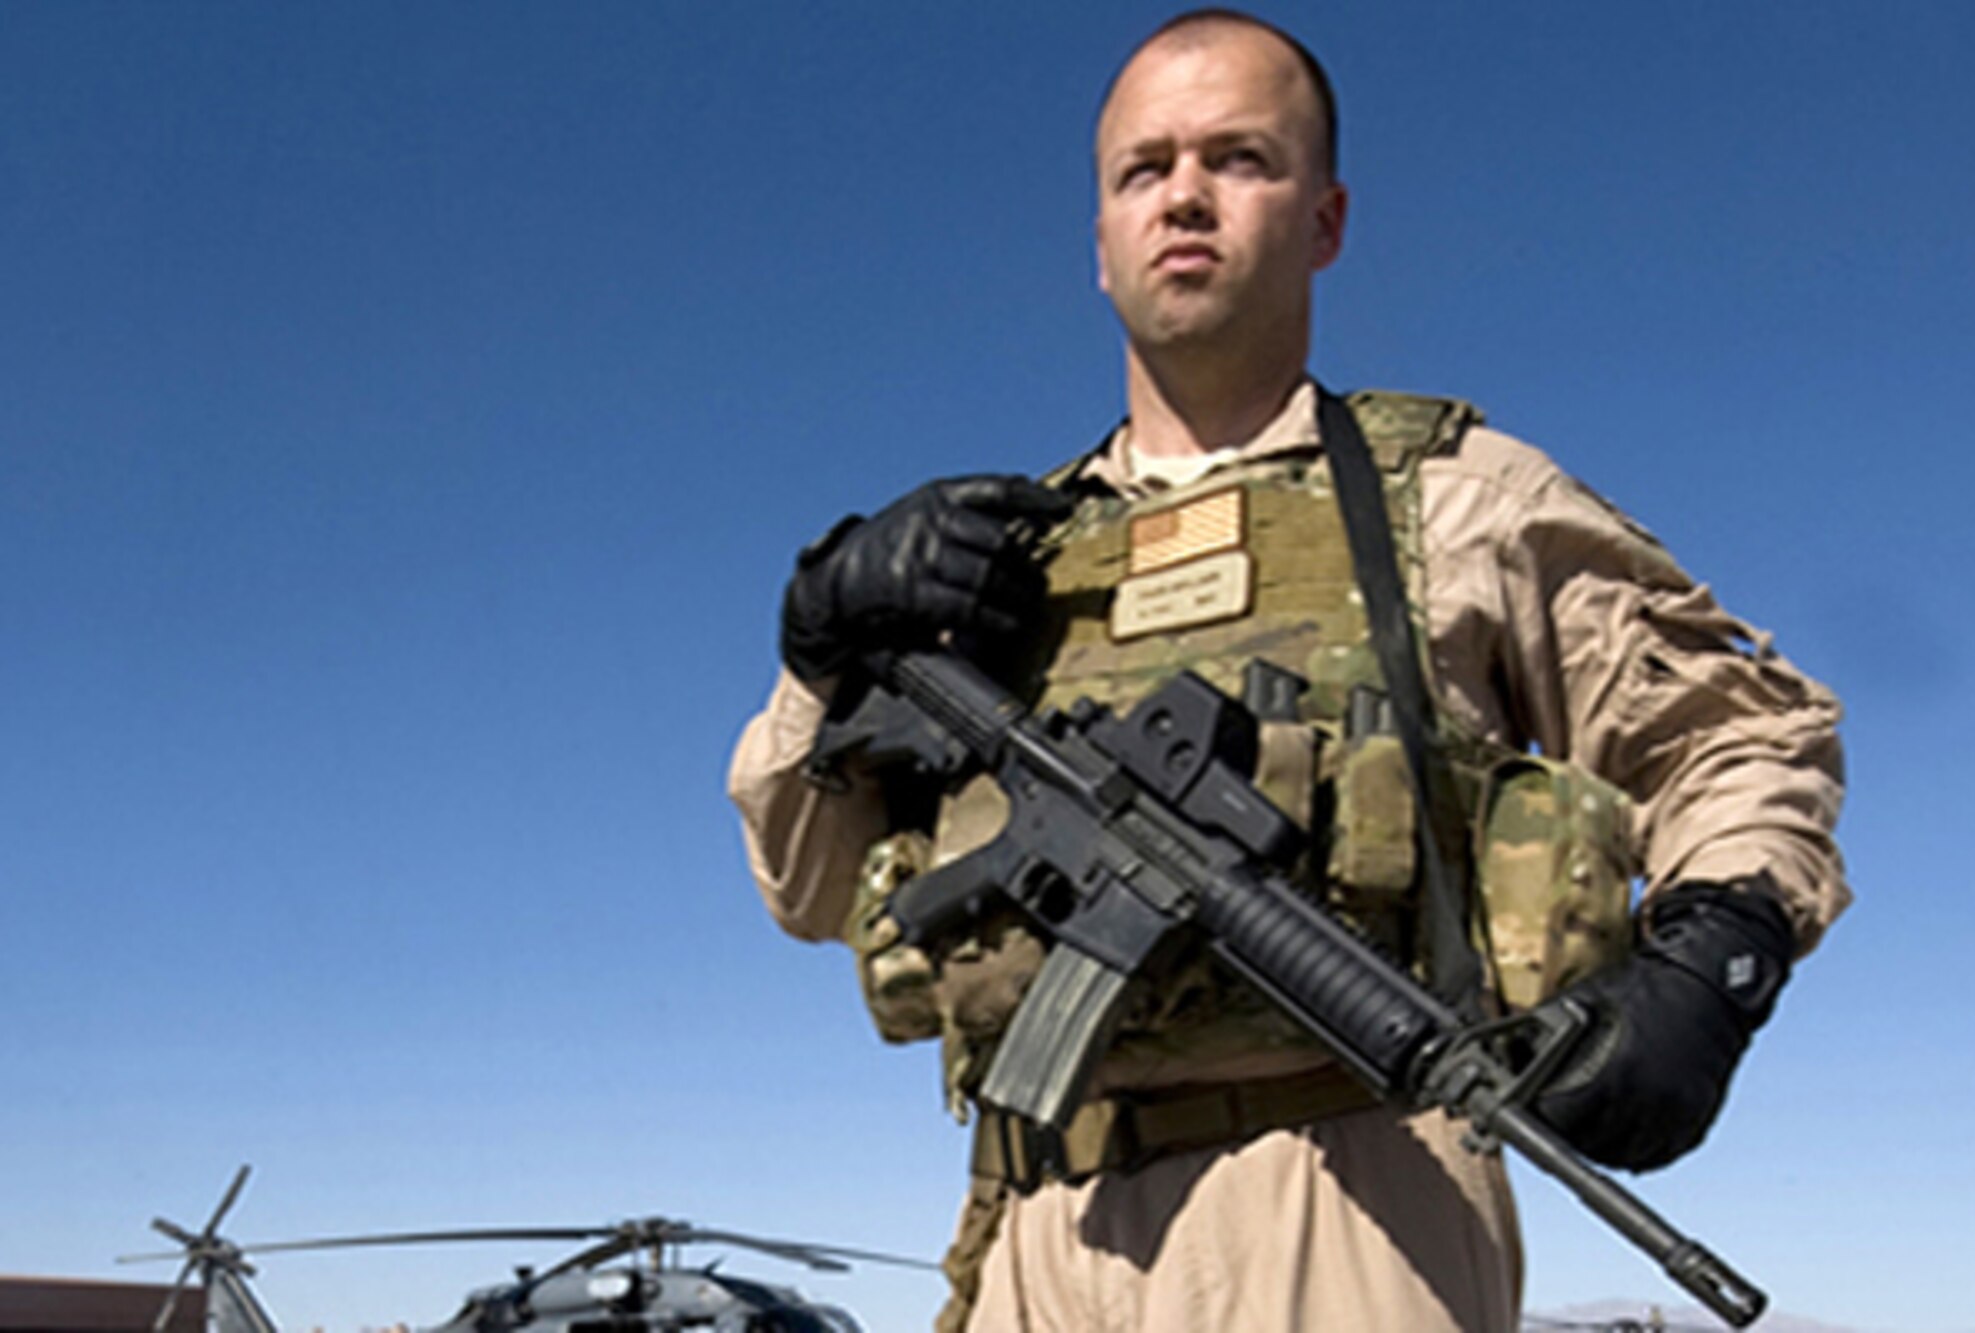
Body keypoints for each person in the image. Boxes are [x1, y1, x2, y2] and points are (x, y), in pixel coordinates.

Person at [728, 11, 1848, 1332]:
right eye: (1142, 170)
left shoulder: (1454, 497)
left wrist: (1713, 964)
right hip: (1033, 1220)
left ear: (1325, 220)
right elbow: (806, 888)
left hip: (1347, 1197)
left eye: (1239, 158)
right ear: (1098, 243)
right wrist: (818, 649)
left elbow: (1741, 734)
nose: (1184, 194)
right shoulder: (996, 568)